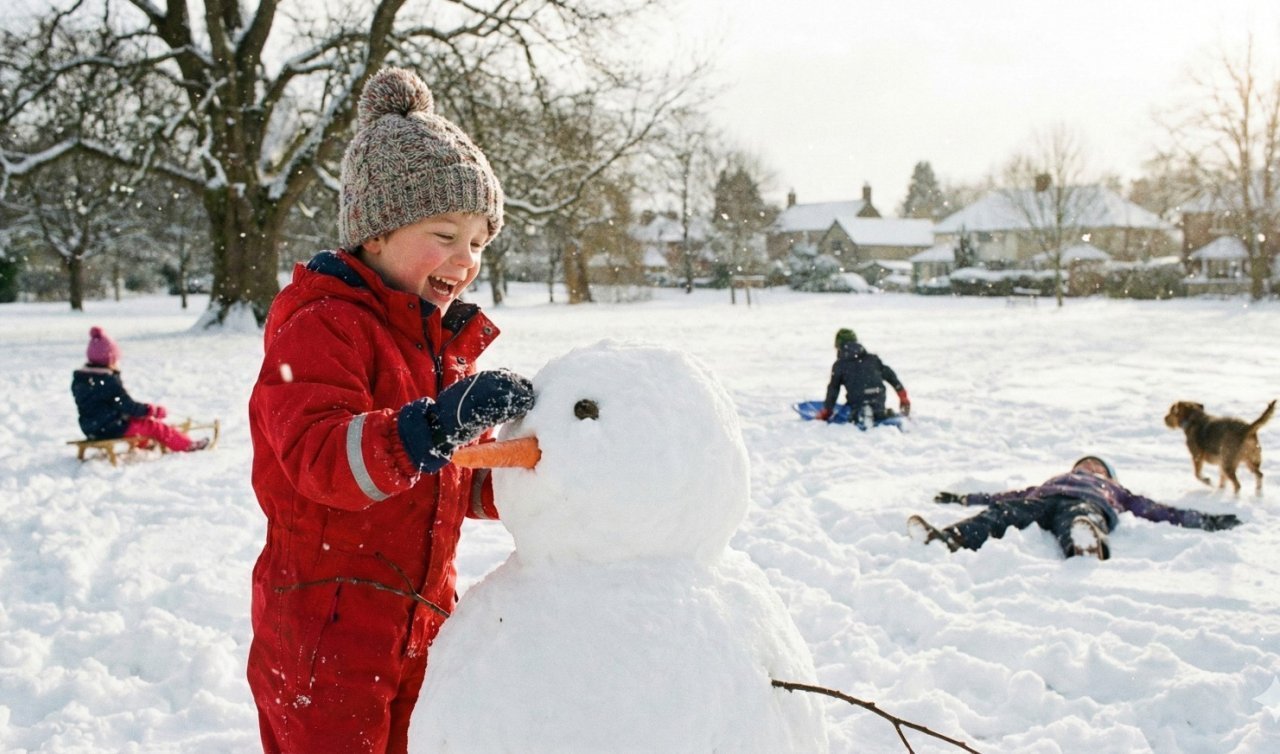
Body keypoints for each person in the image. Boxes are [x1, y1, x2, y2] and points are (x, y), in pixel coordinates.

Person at [245, 67, 535, 754]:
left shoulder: (439, 344)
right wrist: (440, 422)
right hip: (325, 631)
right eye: (445, 234)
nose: (465, 259)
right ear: (375, 233)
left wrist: (534, 472)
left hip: (423, 622)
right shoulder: (322, 325)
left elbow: (451, 476)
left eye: (478, 243)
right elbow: (323, 460)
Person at [907, 455, 1241, 560]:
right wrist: (963, 499)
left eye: (1097, 466)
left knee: (1080, 518)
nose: (1089, 467)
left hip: (1089, 504)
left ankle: (1085, 546)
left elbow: (1160, 511)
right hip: (1044, 501)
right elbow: (1005, 497)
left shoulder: (1115, 491)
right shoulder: (1053, 481)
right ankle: (950, 538)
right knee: (1002, 514)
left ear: (1108, 476)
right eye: (1084, 464)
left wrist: (1207, 521)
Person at [71, 326, 209, 452]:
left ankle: (145, 443)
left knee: (135, 421)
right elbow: (127, 405)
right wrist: (151, 410)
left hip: (90, 428)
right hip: (112, 428)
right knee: (153, 426)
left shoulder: (81, 380)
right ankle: (187, 445)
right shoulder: (107, 381)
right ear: (110, 360)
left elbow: (106, 405)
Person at [816, 327, 910, 426]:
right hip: (878, 396)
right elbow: (891, 377)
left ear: (838, 346)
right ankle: (877, 412)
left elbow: (833, 389)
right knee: (876, 404)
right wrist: (903, 397)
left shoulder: (839, 365)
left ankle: (861, 413)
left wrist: (827, 411)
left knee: (852, 408)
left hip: (857, 400)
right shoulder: (873, 359)